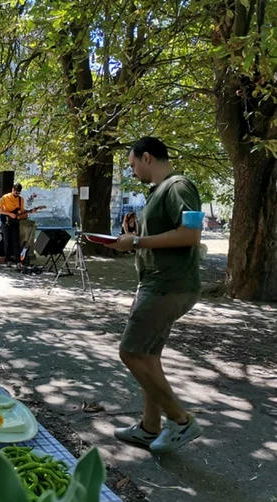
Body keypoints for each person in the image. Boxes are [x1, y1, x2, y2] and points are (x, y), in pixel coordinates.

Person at [108, 136, 203, 453]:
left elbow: (190, 234)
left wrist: (136, 243)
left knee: (131, 352)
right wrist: (135, 236)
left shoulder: (178, 187)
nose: (132, 171)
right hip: (157, 283)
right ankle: (150, 427)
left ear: (147, 157)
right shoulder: (159, 192)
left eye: (133, 165)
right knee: (148, 356)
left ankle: (181, 420)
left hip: (169, 286)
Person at [0, 183, 26, 265]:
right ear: (12, 190)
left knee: (16, 241)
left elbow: (21, 211)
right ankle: (8, 259)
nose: (17, 194)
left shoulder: (21, 199)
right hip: (5, 220)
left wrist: (26, 213)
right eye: (16, 192)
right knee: (7, 241)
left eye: (19, 193)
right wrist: (9, 214)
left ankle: (18, 261)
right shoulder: (5, 197)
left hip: (15, 221)